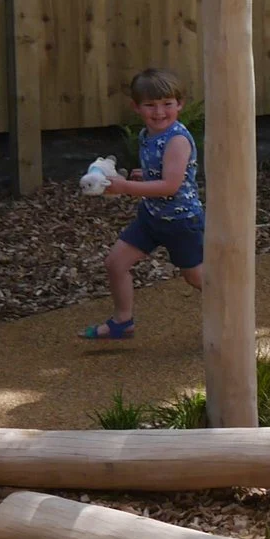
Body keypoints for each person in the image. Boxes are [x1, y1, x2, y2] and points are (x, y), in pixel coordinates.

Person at [78, 68, 205, 342]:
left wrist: (125, 188)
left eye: (167, 104)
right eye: (150, 105)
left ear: (180, 104)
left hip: (181, 222)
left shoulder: (178, 140)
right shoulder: (147, 136)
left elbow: (170, 186)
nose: (159, 112)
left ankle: (233, 318)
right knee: (115, 264)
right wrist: (142, 176)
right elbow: (159, 176)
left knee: (196, 278)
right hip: (151, 217)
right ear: (136, 107)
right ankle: (123, 322)